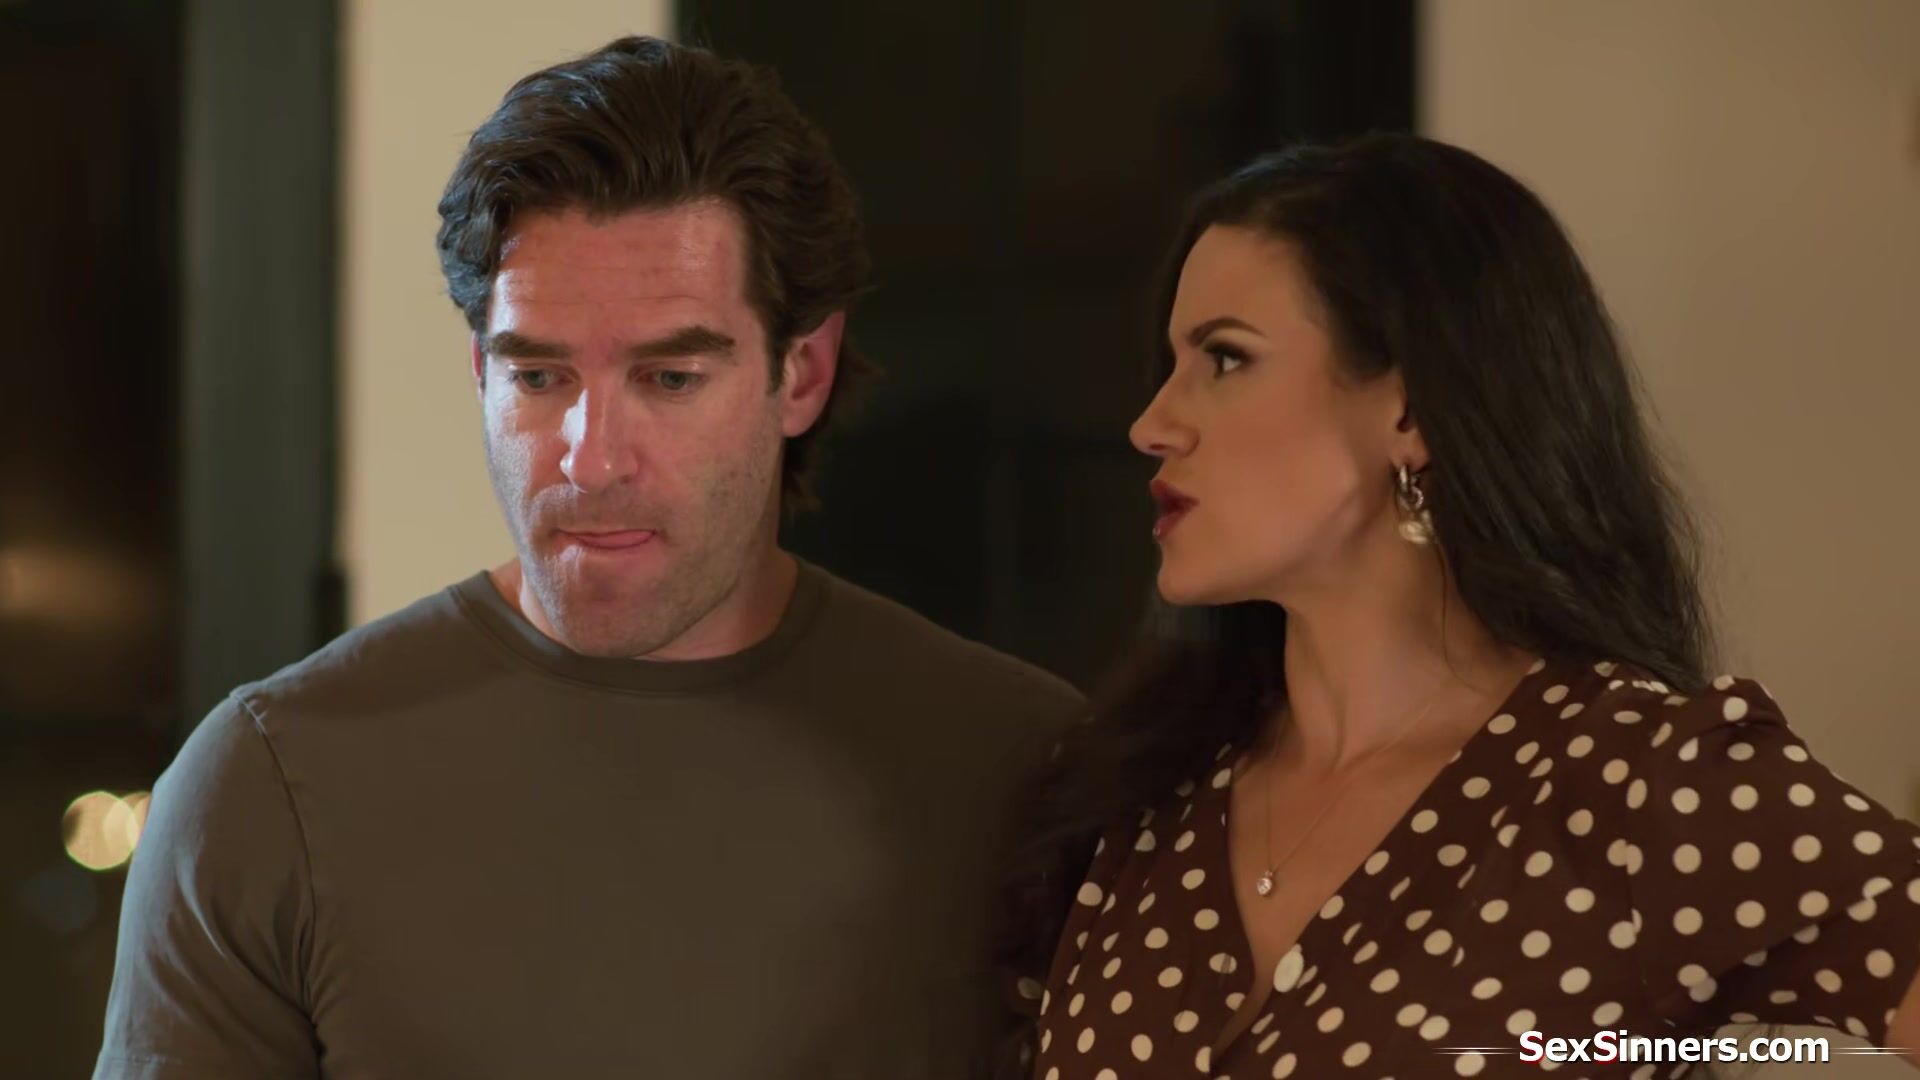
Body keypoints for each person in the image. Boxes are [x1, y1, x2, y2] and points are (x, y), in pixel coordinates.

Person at [95, 36, 1082, 1080]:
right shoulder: (268, 786)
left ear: (802, 374)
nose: (592, 458)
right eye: (539, 377)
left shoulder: (1027, 771)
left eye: (669, 379)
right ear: (481, 373)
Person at [1001, 134, 1920, 1078]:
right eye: (1170, 364)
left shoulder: (1643, 786)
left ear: (1411, 413)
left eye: (1225, 359)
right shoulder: (1135, 799)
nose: (1151, 424)